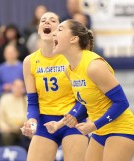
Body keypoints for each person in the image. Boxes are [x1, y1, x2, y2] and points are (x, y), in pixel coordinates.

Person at [52, 19, 134, 161]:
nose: (54, 33)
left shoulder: (94, 66)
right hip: (100, 130)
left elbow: (121, 103)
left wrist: (94, 125)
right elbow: (87, 101)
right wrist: (75, 116)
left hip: (121, 128)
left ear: (73, 39)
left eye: (60, 29)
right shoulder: (68, 70)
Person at [21, 12, 88, 161]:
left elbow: (83, 98)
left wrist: (69, 119)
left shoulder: (71, 57)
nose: (47, 22)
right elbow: (32, 101)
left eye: (52, 21)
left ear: (59, 31)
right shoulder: (29, 62)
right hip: (45, 123)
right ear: (39, 30)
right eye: (43, 20)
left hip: (72, 119)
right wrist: (32, 121)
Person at [0, 79, 28, 147]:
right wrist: (4, 127)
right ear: (12, 87)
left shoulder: (26, 100)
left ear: (23, 89)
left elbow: (29, 116)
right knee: (6, 136)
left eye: (20, 87)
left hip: (23, 128)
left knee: (32, 135)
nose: (18, 89)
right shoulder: (4, 98)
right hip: (9, 129)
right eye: (16, 87)